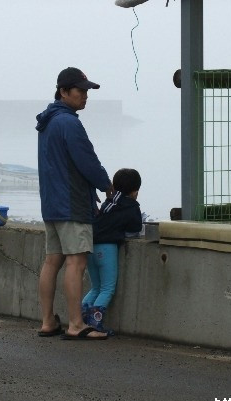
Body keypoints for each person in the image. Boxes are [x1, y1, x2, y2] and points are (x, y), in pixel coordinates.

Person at [35, 67, 112, 340]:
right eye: (80, 90)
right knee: (76, 263)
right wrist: (107, 185)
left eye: (87, 91)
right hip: (72, 202)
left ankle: (47, 321)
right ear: (63, 91)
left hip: (51, 203)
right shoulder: (69, 122)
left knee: (52, 261)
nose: (85, 96)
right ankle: (76, 324)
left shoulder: (48, 122)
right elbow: (86, 160)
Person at [82, 168, 143, 335]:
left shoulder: (108, 202)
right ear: (135, 192)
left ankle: (82, 320)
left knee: (95, 287)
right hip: (106, 248)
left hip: (90, 246)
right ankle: (95, 325)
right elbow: (136, 227)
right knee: (107, 288)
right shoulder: (131, 206)